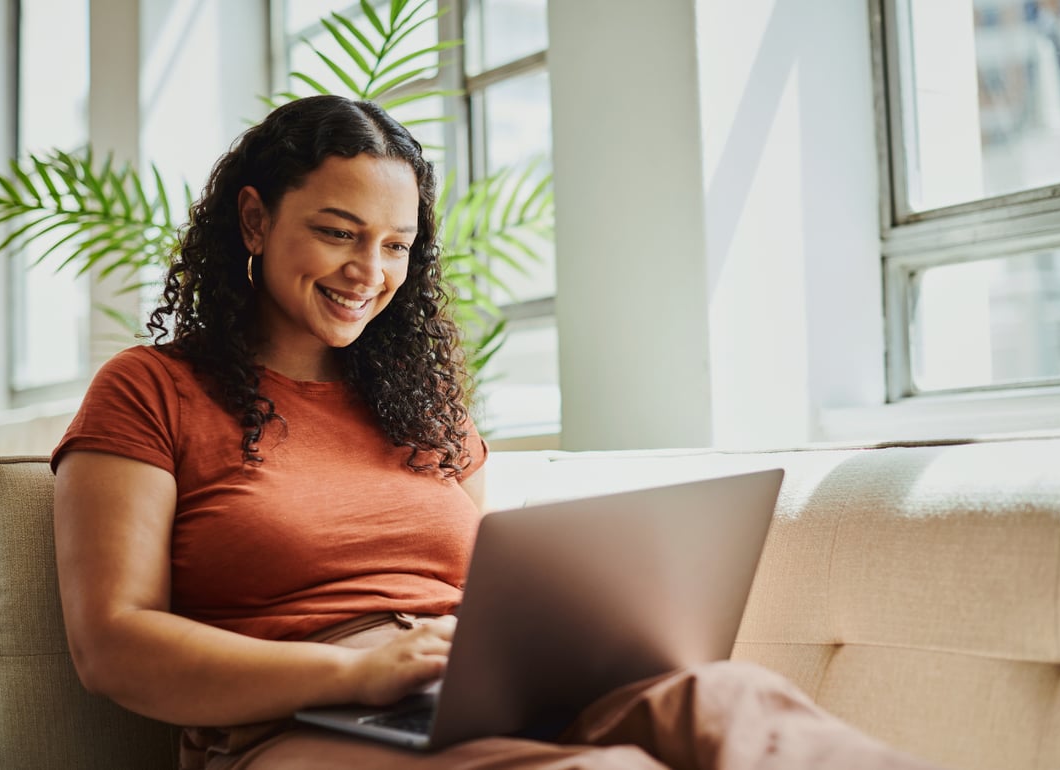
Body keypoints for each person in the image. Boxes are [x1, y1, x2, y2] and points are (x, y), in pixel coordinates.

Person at [51, 95, 944, 770]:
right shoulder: (150, 391)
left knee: (740, 702)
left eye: (397, 245)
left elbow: (490, 592)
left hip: (464, 690)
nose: (369, 271)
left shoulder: (422, 406)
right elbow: (113, 645)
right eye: (337, 233)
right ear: (254, 219)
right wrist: (355, 675)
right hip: (294, 728)